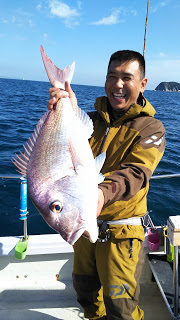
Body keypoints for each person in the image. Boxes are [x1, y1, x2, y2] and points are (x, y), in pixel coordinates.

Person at [47, 50, 165, 320]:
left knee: (121, 307)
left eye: (127, 77)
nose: (118, 84)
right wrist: (65, 108)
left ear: (142, 84)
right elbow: (65, 156)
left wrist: (100, 194)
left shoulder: (151, 128)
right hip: (85, 227)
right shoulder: (89, 121)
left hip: (120, 233)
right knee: (85, 293)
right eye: (112, 76)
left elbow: (135, 173)